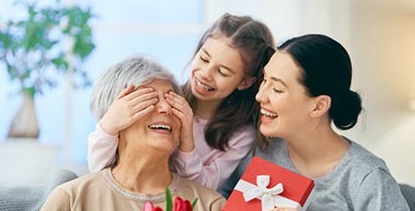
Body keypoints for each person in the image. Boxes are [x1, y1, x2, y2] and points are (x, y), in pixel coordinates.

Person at [16, 58, 262, 211]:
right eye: (149, 100)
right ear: (113, 116)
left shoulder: (212, 207)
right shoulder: (68, 201)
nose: (165, 108)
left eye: (172, 101)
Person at [227, 35, 415, 211]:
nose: (260, 96)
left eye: (277, 89)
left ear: (319, 105)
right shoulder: (260, 151)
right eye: (265, 80)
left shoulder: (365, 178)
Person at [87, 16, 275, 194]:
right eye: (204, 58)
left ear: (245, 82)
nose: (205, 74)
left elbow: (201, 192)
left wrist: (187, 143)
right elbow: (102, 171)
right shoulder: (165, 101)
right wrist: (108, 125)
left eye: (223, 72)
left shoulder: (239, 136)